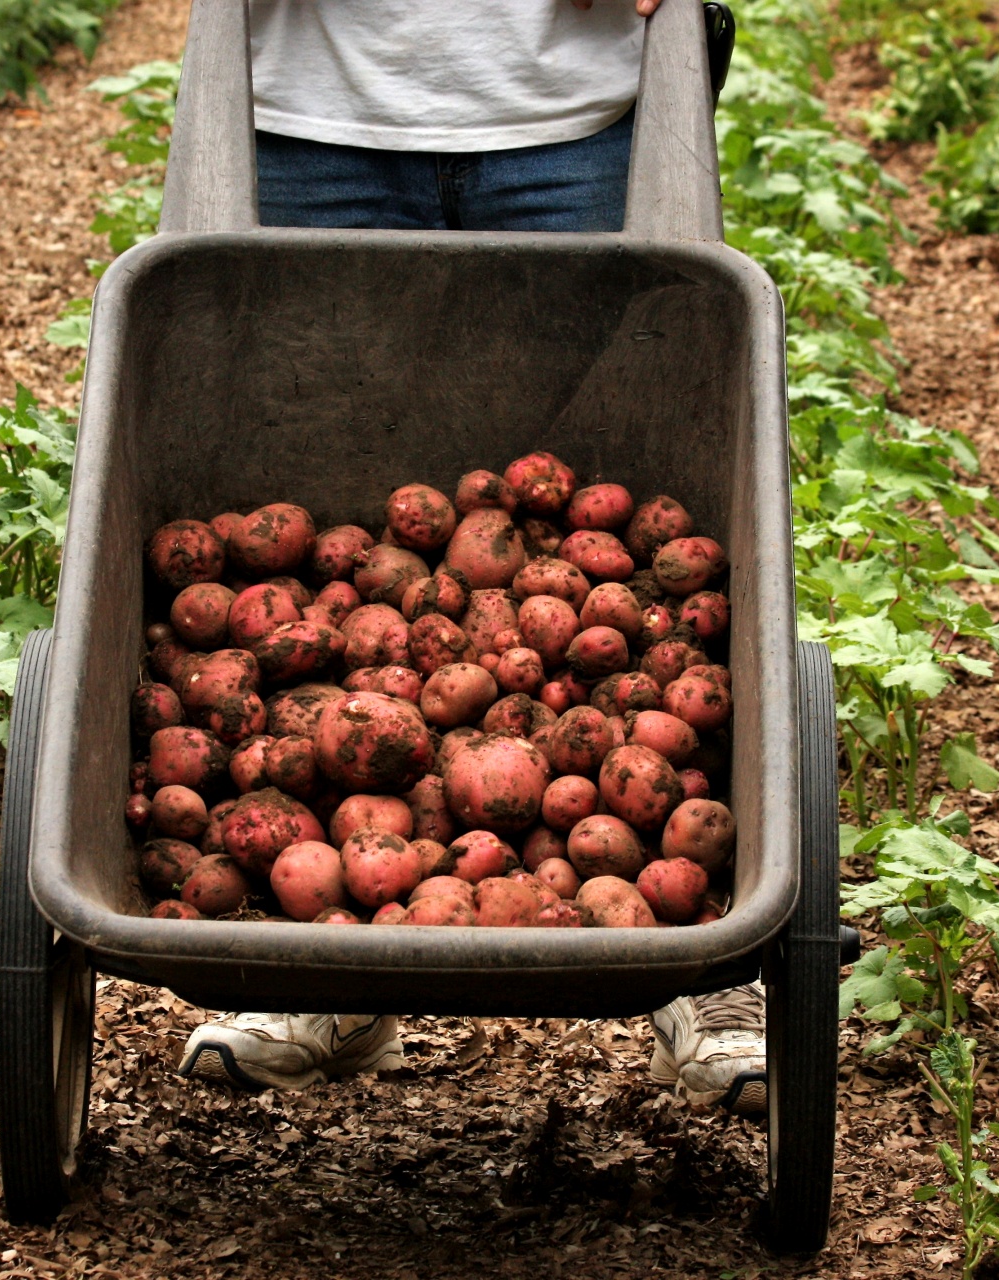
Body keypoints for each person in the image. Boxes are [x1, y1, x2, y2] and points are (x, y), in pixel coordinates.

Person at [179, 0, 770, 1116]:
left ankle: (704, 955)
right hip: (316, 107)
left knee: (652, 507)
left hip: (576, 106)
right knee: (322, 496)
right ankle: (321, 968)